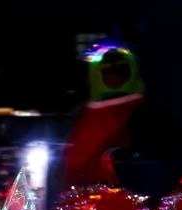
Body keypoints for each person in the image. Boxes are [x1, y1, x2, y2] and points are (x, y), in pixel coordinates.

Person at [62, 44, 146, 188]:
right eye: (107, 71)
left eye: (120, 70)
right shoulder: (85, 112)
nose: (115, 76)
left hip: (129, 184)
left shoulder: (144, 109)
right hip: (91, 187)